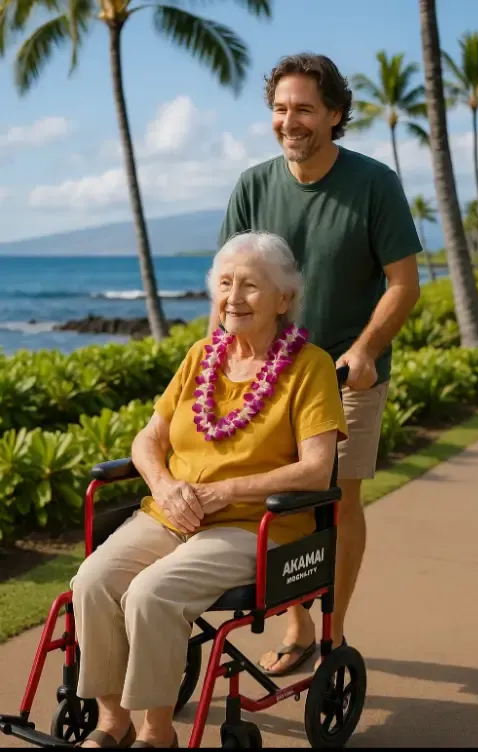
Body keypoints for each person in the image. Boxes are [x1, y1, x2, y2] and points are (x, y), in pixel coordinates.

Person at [70, 230, 348, 749]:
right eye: (224, 283)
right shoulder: (201, 355)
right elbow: (148, 438)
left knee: (153, 594)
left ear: (283, 298)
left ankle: (158, 735)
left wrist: (225, 492)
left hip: (252, 523)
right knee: (92, 581)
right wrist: (164, 482)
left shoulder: (310, 368)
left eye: (250, 285)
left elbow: (316, 469)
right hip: (174, 510)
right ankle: (112, 722)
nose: (233, 297)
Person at [210, 53, 422, 676]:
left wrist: (364, 349)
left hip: (343, 376)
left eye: (304, 108)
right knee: (282, 503)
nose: (290, 121)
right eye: (280, 109)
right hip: (265, 378)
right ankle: (299, 624)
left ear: (334, 114)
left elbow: (404, 283)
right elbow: (228, 290)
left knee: (337, 500)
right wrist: (214, 366)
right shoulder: (252, 185)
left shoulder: (374, 183)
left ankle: (334, 629)